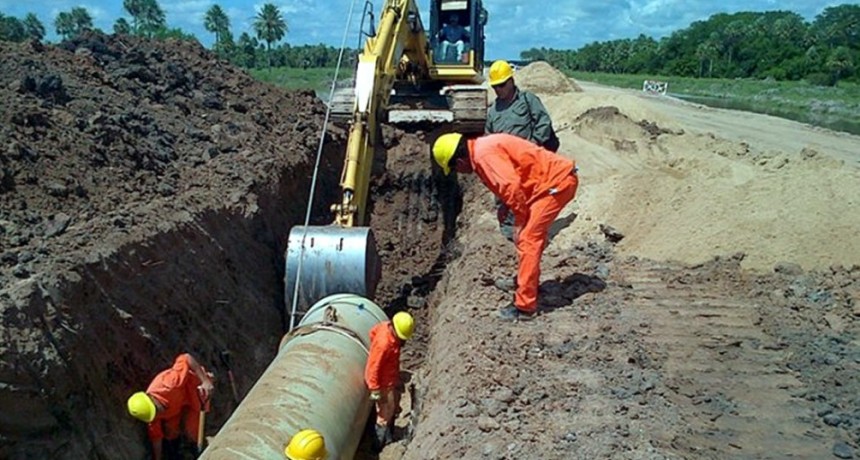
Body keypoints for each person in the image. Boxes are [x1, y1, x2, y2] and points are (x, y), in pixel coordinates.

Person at [431, 132, 578, 321]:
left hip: (556, 185)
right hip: (544, 185)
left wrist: (518, 220)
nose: (459, 172)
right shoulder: (481, 149)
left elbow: (511, 185)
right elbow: (513, 177)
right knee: (530, 238)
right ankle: (525, 282)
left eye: (455, 169)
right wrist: (506, 206)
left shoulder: (484, 156)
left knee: (528, 239)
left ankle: (525, 307)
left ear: (459, 161)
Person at [485, 59, 561, 281]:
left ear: (511, 81)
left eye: (502, 85)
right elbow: (488, 136)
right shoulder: (492, 112)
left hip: (528, 164)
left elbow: (543, 122)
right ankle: (511, 240)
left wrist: (532, 148)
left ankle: (531, 237)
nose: (499, 90)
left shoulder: (527, 100)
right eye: (495, 87)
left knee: (531, 200)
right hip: (506, 166)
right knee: (505, 202)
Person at [127, 353, 215, 460]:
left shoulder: (170, 384)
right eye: (154, 414)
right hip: (175, 405)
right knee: (170, 432)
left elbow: (186, 358)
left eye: (156, 410)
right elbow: (156, 439)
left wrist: (205, 380)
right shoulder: (151, 415)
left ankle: (197, 447)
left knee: (191, 429)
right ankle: (179, 449)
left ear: (152, 399)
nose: (158, 414)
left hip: (192, 389)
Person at [364, 311, 415, 448]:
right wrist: (374, 388)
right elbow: (373, 367)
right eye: (402, 338)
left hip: (389, 378)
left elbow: (372, 332)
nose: (403, 341)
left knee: (392, 407)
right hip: (383, 383)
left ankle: (387, 434)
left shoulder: (386, 327)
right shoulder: (383, 344)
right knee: (384, 413)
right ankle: (379, 443)